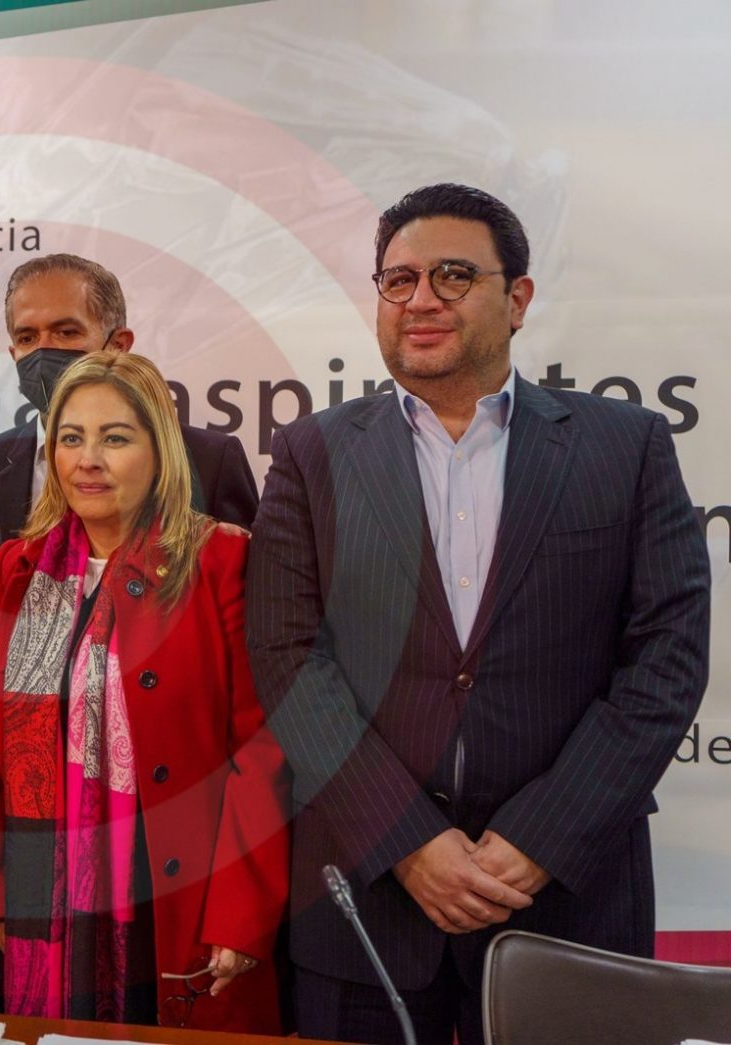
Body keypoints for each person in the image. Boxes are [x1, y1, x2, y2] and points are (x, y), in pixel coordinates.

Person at [246, 184, 711, 1045]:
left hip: (568, 900)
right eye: (398, 280)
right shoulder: (312, 452)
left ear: (518, 298)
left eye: (454, 275)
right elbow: (287, 655)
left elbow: (667, 659)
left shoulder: (626, 445)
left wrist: (538, 840)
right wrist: (407, 841)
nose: (420, 299)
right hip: (367, 905)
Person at [0, 351, 288, 1033]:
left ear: (160, 450)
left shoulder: (220, 559)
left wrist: (239, 914)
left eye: (115, 438)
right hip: (41, 901)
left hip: (175, 895)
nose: (88, 459)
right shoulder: (18, 568)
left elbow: (260, 750)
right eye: (71, 437)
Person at [0, 254, 258, 599]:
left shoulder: (210, 461)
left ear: (119, 345)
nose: (43, 351)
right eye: (27, 338)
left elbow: (248, 604)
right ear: (13, 353)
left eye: (66, 332)